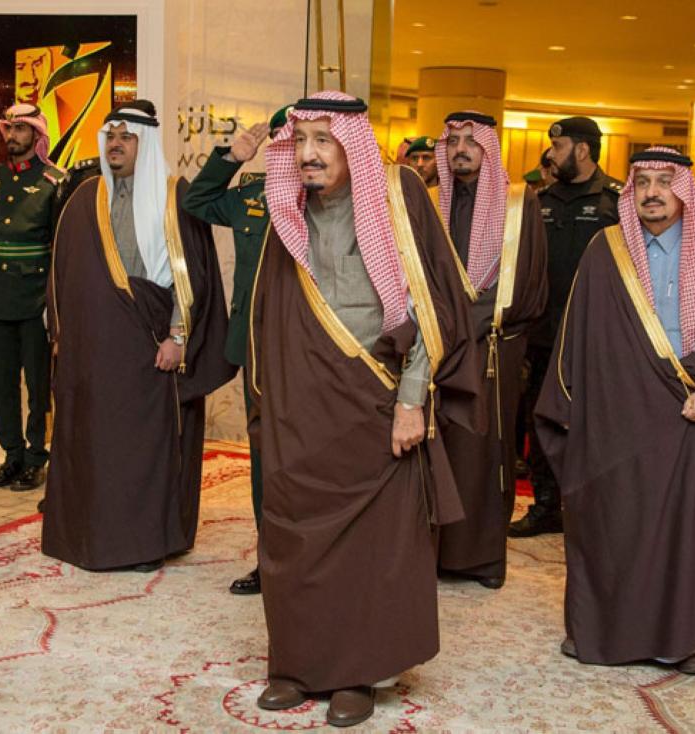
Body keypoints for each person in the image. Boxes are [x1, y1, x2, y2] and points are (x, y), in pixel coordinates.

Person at [248, 92, 480, 725]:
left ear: (351, 143)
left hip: (377, 403)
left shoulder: (397, 202)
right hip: (304, 409)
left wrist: (412, 401)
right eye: (301, 142)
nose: (309, 155)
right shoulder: (286, 216)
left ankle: (360, 672)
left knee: (373, 549)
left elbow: (431, 311)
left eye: (324, 140)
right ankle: (297, 663)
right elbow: (268, 320)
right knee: (294, 534)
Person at [536, 146, 695, 675]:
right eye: (642, 183)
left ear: (684, 189)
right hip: (617, 414)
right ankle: (606, 629)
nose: (653, 193)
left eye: (665, 181)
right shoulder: (605, 250)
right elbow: (579, 340)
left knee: (687, 529)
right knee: (614, 520)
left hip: (693, 409)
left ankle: (681, 641)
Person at [41, 100, 235, 572]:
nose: (115, 145)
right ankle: (93, 535)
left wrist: (178, 337)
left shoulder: (174, 196)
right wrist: (65, 342)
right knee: (98, 446)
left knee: (145, 453)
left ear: (144, 142)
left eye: (126, 137)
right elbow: (64, 278)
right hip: (95, 354)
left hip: (152, 351)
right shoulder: (85, 199)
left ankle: (146, 543)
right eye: (110, 136)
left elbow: (196, 278)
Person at [433, 111, 547, 588]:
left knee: (481, 453)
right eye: (453, 141)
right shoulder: (431, 202)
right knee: (433, 449)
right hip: (434, 348)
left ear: (488, 149)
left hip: (489, 350)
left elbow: (526, 286)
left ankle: (480, 559)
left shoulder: (520, 205)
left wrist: (460, 327)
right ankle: (433, 553)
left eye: (470, 142)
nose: (461, 149)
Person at [182, 105, 290, 596]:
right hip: (255, 346)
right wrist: (231, 157)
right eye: (286, 135)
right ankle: (271, 560)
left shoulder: (336, 198)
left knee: (309, 458)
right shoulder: (253, 194)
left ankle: (314, 560)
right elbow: (198, 202)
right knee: (266, 458)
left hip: (313, 353)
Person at [509, 116, 622, 537]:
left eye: (559, 148)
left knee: (595, 424)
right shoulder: (540, 202)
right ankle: (545, 505)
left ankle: (589, 509)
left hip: (596, 339)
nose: (552, 155)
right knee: (542, 422)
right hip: (543, 336)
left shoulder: (616, 201)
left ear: (582, 149)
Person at [0, 103, 66, 491]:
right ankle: (11, 457)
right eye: (7, 128)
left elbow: (62, 247)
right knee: (1, 384)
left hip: (35, 298)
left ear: (36, 134)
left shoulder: (54, 180)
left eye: (20, 128)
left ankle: (36, 458)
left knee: (38, 385)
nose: (11, 135)